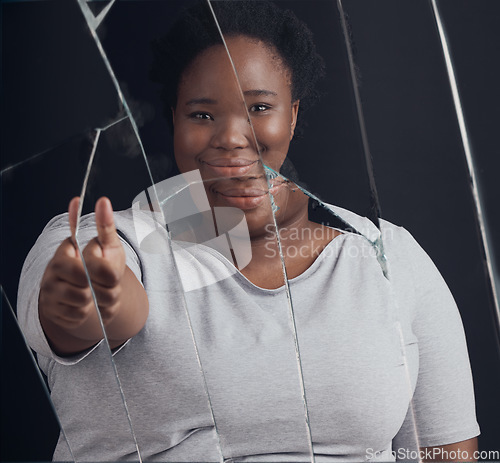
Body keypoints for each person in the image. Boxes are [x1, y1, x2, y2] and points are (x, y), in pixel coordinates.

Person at [17, 1, 480, 461]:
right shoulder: (100, 244)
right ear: (174, 119)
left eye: (259, 107)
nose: (232, 137)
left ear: (293, 115)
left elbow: (448, 451)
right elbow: (86, 317)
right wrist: (98, 300)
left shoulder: (387, 258)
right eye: (202, 115)